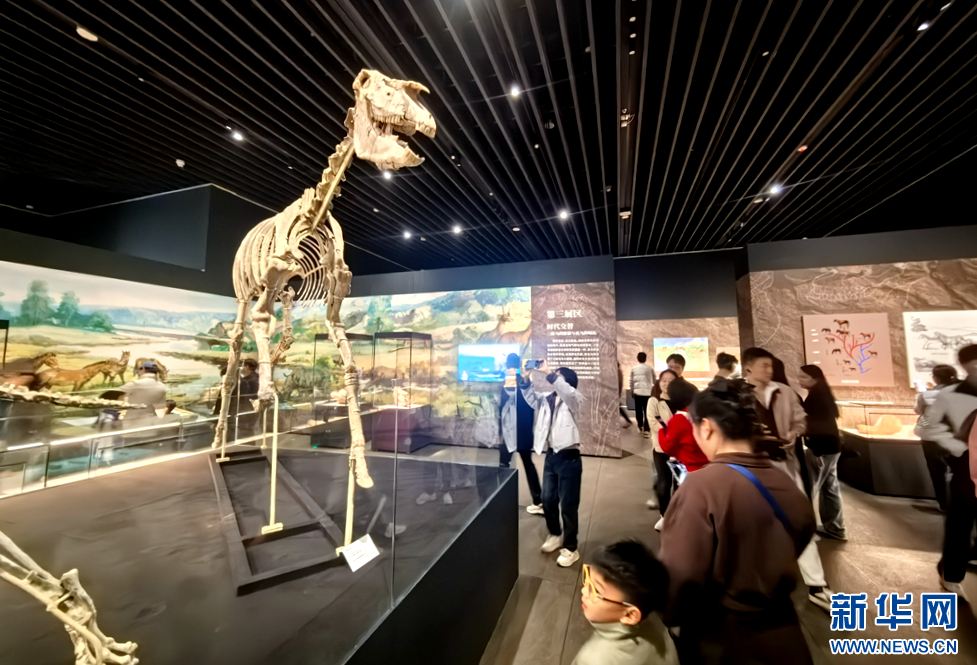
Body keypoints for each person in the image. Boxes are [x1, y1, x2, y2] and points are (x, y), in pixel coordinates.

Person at [659, 380, 816, 665]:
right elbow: (803, 532)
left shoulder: (701, 487)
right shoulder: (784, 481)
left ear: (707, 427)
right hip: (786, 636)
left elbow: (681, 577)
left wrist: (669, 615)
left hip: (722, 639)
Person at [742, 347, 833, 611]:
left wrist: (795, 433)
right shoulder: (737, 396)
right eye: (763, 365)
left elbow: (801, 419)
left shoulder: (784, 392)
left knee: (800, 521)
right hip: (753, 470)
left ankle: (817, 584)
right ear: (748, 368)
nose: (769, 370)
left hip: (786, 465)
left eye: (770, 365)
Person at [921, 344, 977, 598]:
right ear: (967, 366)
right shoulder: (948, 395)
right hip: (966, 465)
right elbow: (924, 427)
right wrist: (959, 447)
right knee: (960, 523)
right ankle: (951, 575)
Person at [572, 540, 679, 665]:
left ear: (630, 615)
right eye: (588, 579)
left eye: (596, 590)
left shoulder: (593, 660)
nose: (584, 591)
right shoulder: (651, 615)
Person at [521, 360, 584, 568]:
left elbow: (566, 391)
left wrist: (549, 373)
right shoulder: (548, 398)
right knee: (548, 500)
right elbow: (530, 398)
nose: (554, 378)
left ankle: (571, 548)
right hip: (551, 457)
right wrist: (526, 377)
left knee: (568, 506)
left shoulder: (574, 399)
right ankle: (555, 534)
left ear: (568, 382)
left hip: (569, 458)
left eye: (559, 376)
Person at [798, 365, 846, 541]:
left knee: (810, 487)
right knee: (830, 488)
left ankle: (805, 528)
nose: (799, 380)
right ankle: (835, 528)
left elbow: (818, 425)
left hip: (821, 450)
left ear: (815, 379)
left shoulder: (817, 397)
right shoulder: (821, 394)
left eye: (804, 377)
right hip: (831, 448)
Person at [655, 378, 705, 531]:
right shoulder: (703, 415)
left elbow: (667, 446)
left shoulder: (678, 419)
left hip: (688, 468)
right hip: (708, 467)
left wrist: (662, 431)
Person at [499, 353, 543, 514]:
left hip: (510, 431)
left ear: (507, 364)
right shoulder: (525, 382)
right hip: (524, 431)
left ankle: (500, 498)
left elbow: (502, 406)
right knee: (527, 463)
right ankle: (538, 500)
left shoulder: (509, 381)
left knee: (504, 465)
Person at [915, 364, 960, 511]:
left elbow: (919, 411)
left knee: (937, 471)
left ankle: (944, 504)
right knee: (960, 470)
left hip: (932, 437)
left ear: (935, 378)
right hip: (956, 436)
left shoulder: (926, 395)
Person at [647, 370, 677, 515]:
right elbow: (653, 422)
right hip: (661, 448)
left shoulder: (681, 401)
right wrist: (673, 433)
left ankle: (677, 514)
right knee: (664, 483)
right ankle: (664, 515)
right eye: (664, 380)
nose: (666, 384)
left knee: (679, 483)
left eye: (671, 380)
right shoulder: (654, 401)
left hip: (680, 450)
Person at [229, 358, 259, 441]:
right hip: (248, 411)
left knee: (246, 432)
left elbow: (251, 397)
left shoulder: (252, 380)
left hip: (247, 411)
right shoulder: (252, 378)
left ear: (247, 367)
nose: (241, 368)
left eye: (242, 365)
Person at [631, 353, 655, 438]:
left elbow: (631, 382)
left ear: (638, 358)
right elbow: (654, 381)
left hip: (637, 393)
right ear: (645, 358)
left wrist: (632, 391)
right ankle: (647, 430)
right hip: (648, 393)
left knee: (638, 411)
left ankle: (640, 425)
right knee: (647, 411)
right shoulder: (650, 369)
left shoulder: (634, 369)